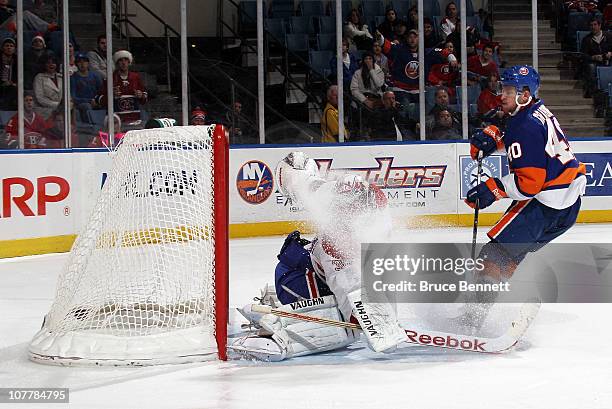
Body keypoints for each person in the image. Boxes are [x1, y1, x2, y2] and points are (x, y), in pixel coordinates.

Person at [231, 152, 407, 361]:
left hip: (349, 253)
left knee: (338, 253)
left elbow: (347, 276)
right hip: (356, 247)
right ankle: (373, 317)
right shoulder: (329, 207)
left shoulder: (325, 207)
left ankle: (372, 318)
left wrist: (364, 318)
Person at [464, 65, 586, 326]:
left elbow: (530, 185)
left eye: (508, 90)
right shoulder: (537, 111)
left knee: (491, 257)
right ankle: (481, 309)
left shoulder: (523, 125)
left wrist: (492, 189)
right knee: (507, 257)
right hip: (568, 208)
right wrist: (498, 139)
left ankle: (471, 321)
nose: (502, 96)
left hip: (543, 206)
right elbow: (534, 144)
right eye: (502, 89)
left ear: (525, 94)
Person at [96, 50, 147, 127]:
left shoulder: (135, 77)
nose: (123, 63)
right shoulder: (110, 78)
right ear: (117, 63)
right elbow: (99, 99)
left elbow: (144, 96)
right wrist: (110, 95)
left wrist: (141, 95)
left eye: (126, 60)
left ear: (129, 62)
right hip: (116, 121)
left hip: (135, 119)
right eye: (120, 60)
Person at [580, 17, 612, 98]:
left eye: (595, 25)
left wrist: (610, 54)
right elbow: (583, 55)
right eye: (591, 25)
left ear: (600, 25)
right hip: (594, 62)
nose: (593, 27)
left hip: (609, 59)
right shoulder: (586, 39)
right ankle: (593, 91)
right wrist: (593, 57)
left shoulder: (609, 36)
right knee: (591, 67)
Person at [70, 52, 103, 119]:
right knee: (87, 106)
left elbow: (101, 91)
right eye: (79, 62)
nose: (82, 64)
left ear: (88, 63)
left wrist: (97, 101)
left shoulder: (95, 76)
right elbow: (73, 97)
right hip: (82, 103)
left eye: (84, 62)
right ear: (76, 64)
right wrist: (89, 101)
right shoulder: (73, 78)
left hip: (96, 102)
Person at [33, 54, 62, 118]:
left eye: (53, 63)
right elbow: (40, 98)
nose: (51, 65)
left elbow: (68, 95)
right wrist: (58, 105)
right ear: (44, 65)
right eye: (48, 63)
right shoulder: (39, 77)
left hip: (61, 108)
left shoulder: (61, 77)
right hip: (45, 109)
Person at [0, 37, 17, 110]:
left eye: (11, 46)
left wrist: (15, 83)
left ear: (14, 49)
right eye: (7, 45)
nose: (9, 48)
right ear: (2, 48)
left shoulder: (17, 59)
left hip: (12, 85)